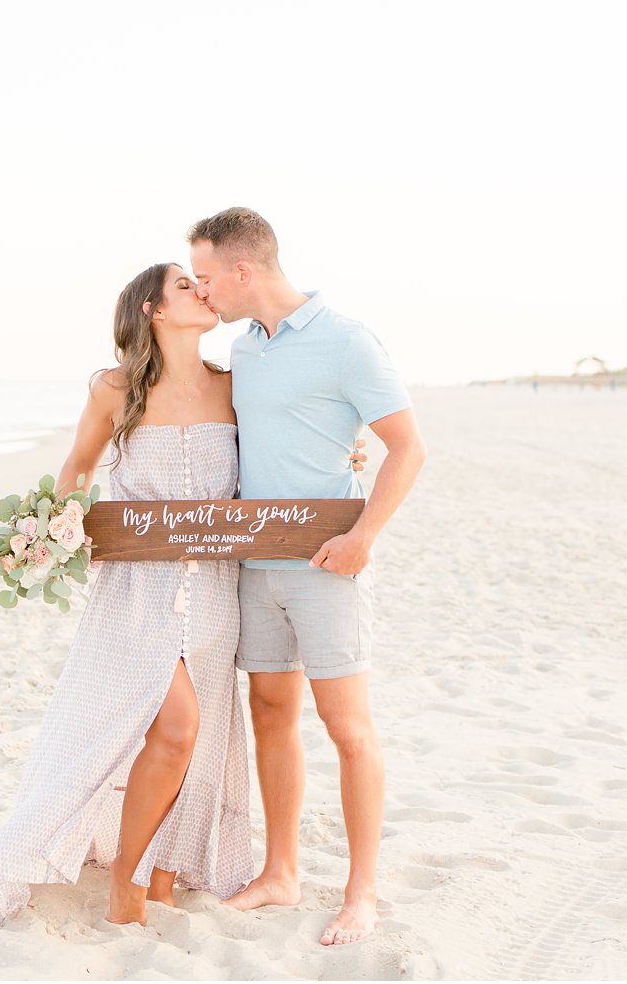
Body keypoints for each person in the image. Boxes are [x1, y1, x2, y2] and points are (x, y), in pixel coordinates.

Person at [0, 263, 366, 926]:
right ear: (152, 308)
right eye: (187, 286)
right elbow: (77, 468)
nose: (203, 292)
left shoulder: (234, 386)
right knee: (176, 727)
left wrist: (345, 454)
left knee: (200, 737)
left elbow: (290, 440)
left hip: (214, 591)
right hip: (135, 589)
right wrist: (56, 530)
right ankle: (127, 877)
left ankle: (164, 871)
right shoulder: (113, 389)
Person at [188, 208, 426, 946]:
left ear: (243, 270)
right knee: (269, 713)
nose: (203, 293)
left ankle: (362, 891)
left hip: (326, 564)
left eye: (205, 277)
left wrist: (363, 537)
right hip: (255, 566)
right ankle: (281, 869)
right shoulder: (243, 349)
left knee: (347, 726)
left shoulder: (347, 340)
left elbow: (407, 448)